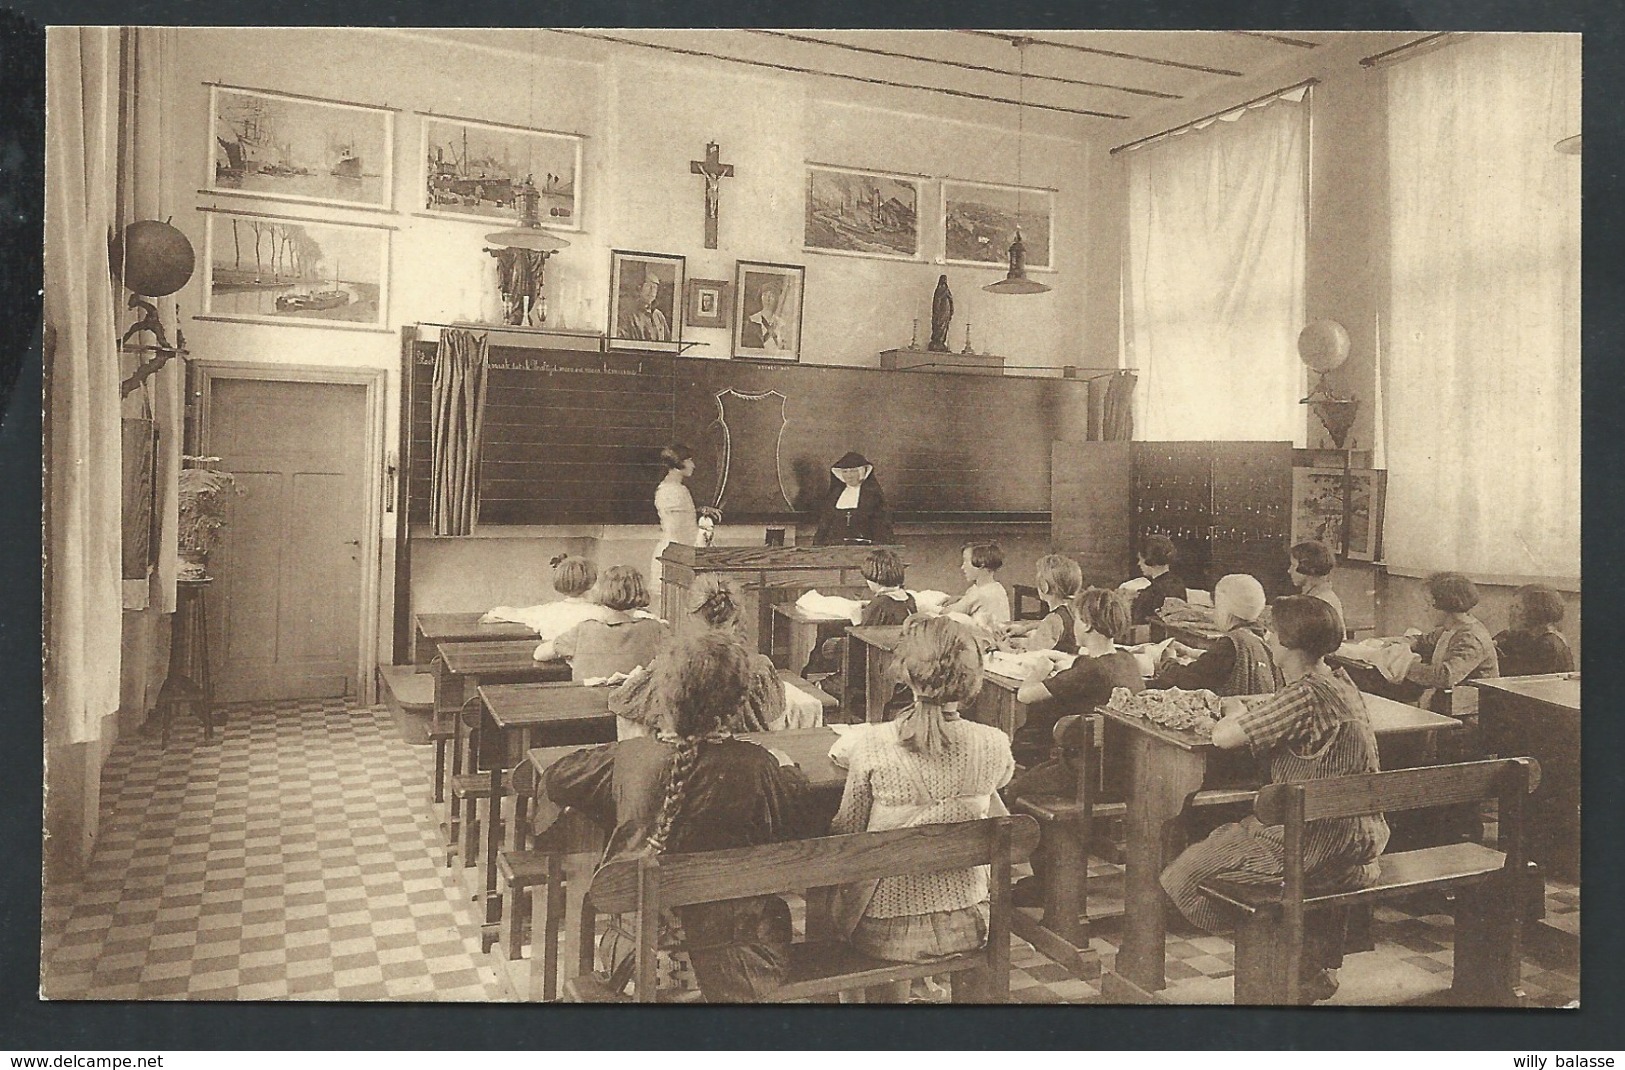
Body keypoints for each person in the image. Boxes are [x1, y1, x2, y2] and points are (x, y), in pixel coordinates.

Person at [541, 632, 809, 1001]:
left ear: (662, 696)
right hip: (737, 962)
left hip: (636, 959)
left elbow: (556, 779)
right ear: (737, 703)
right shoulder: (759, 765)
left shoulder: (629, 758)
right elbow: (796, 827)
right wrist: (788, 771)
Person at [1159, 596, 1389, 1004]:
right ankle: (1304, 964)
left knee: (1181, 876)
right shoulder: (1338, 682)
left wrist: (1232, 712)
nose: (1266, 637)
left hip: (1315, 843)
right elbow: (1294, 714)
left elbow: (1223, 737)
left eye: (1270, 632)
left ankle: (1277, 954)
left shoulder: (1304, 695)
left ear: (1285, 642)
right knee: (1228, 836)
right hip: (1361, 835)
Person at [828, 617, 1016, 981]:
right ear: (972, 679)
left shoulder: (871, 744)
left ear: (906, 674)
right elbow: (995, 788)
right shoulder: (995, 743)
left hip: (882, 930)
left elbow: (846, 835)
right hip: (970, 923)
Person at [612, 575, 787, 738]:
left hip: (682, 763)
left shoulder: (670, 665)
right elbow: (775, 726)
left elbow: (619, 701)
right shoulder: (760, 669)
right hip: (748, 764)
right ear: (736, 621)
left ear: (689, 616)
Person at [1012, 586, 1142, 771]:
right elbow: (1090, 664)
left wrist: (1041, 669)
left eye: (1077, 619)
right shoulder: (1126, 658)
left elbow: (1024, 695)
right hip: (1117, 766)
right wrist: (1066, 660)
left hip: (1083, 768)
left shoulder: (1089, 671)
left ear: (1087, 624)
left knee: (1017, 787)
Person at [1148, 574, 1282, 698]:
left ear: (1226, 607)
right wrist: (1191, 652)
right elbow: (1223, 663)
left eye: (1216, 606)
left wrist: (1169, 662)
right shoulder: (1261, 636)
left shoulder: (1232, 643)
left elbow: (1189, 680)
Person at [534, 565, 668, 681]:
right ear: (641, 592)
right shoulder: (655, 629)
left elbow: (539, 654)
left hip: (587, 704)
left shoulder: (585, 629)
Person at [1393, 571, 1500, 713]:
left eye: (1429, 604)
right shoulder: (1450, 628)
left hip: (1469, 717)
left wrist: (1401, 665)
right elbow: (1423, 640)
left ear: (1446, 605)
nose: (1425, 609)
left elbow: (1445, 676)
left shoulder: (1471, 637)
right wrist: (1398, 644)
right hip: (1448, 705)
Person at [480, 553, 610, 641]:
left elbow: (517, 613)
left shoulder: (548, 611)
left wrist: (496, 613)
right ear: (592, 583)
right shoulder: (602, 613)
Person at [651, 444, 709, 593]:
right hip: (675, 556)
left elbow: (680, 517)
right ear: (678, 462)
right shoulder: (673, 490)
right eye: (689, 460)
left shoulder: (674, 488)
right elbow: (679, 529)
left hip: (675, 553)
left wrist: (700, 510)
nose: (693, 465)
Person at [1004, 554, 1084, 654]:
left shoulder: (1053, 619)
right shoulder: (1071, 609)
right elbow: (1045, 624)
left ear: (1044, 586)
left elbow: (1034, 647)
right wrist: (1025, 629)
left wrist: (1008, 644)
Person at [812, 451, 894, 546]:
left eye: (853, 471)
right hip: (835, 549)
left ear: (862, 472)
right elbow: (824, 524)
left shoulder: (872, 496)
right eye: (845, 472)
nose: (849, 476)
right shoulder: (834, 496)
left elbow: (881, 526)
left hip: (865, 548)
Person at [1494, 583, 1574, 677]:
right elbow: (1507, 636)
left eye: (1517, 608)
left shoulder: (1548, 645)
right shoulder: (1528, 635)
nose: (1511, 613)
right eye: (1511, 607)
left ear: (1536, 611)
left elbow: (1518, 677)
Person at [941, 542, 1011, 632]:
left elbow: (946, 612)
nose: (962, 567)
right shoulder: (996, 587)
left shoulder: (978, 594)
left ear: (981, 564)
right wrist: (960, 599)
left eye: (966, 561)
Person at [1289, 540, 1347, 638]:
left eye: (1293, 565)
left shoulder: (1321, 601)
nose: (1289, 570)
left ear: (1307, 567)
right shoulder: (1313, 596)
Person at [1130, 534, 1186, 627]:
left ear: (1150, 560)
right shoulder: (1178, 584)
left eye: (1141, 559)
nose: (1139, 564)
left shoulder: (1151, 593)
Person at [620, 267, 670, 342]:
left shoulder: (659, 316)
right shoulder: (629, 315)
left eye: (655, 288)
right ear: (639, 288)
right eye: (648, 286)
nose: (652, 291)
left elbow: (668, 342)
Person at [742, 282, 784, 350]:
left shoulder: (781, 323)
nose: (768, 298)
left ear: (776, 299)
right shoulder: (752, 319)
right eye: (765, 295)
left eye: (772, 295)